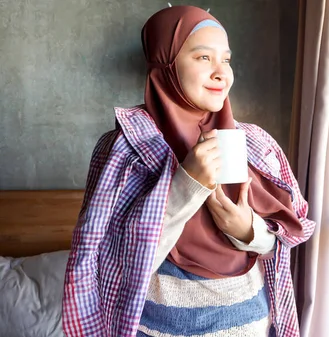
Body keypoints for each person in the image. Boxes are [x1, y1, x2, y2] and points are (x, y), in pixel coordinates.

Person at [62, 6, 315, 337]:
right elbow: (113, 270)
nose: (221, 73)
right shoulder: (125, 149)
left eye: (225, 59)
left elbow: (281, 243)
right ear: (165, 64)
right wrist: (187, 184)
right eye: (202, 58)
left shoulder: (254, 144)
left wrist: (247, 230)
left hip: (255, 325)